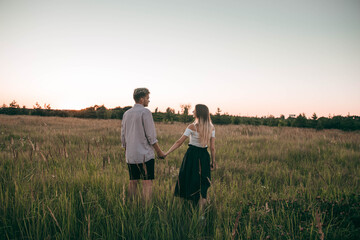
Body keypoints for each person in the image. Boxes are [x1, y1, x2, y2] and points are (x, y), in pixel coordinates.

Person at [165, 104, 216, 209]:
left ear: (199, 113)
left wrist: (166, 153)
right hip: (204, 156)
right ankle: (201, 214)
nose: (193, 111)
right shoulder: (211, 127)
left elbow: (179, 142)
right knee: (203, 183)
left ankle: (190, 207)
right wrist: (213, 162)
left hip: (192, 156)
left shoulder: (192, 126)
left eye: (194, 110)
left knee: (189, 179)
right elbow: (212, 148)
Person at [121, 88, 166, 202]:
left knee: (133, 181)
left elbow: (123, 136)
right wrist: (159, 152)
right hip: (145, 155)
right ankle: (146, 209)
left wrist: (127, 151)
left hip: (131, 155)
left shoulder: (126, 113)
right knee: (147, 183)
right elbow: (151, 136)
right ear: (141, 99)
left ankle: (131, 207)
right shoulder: (145, 112)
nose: (148, 101)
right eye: (147, 98)